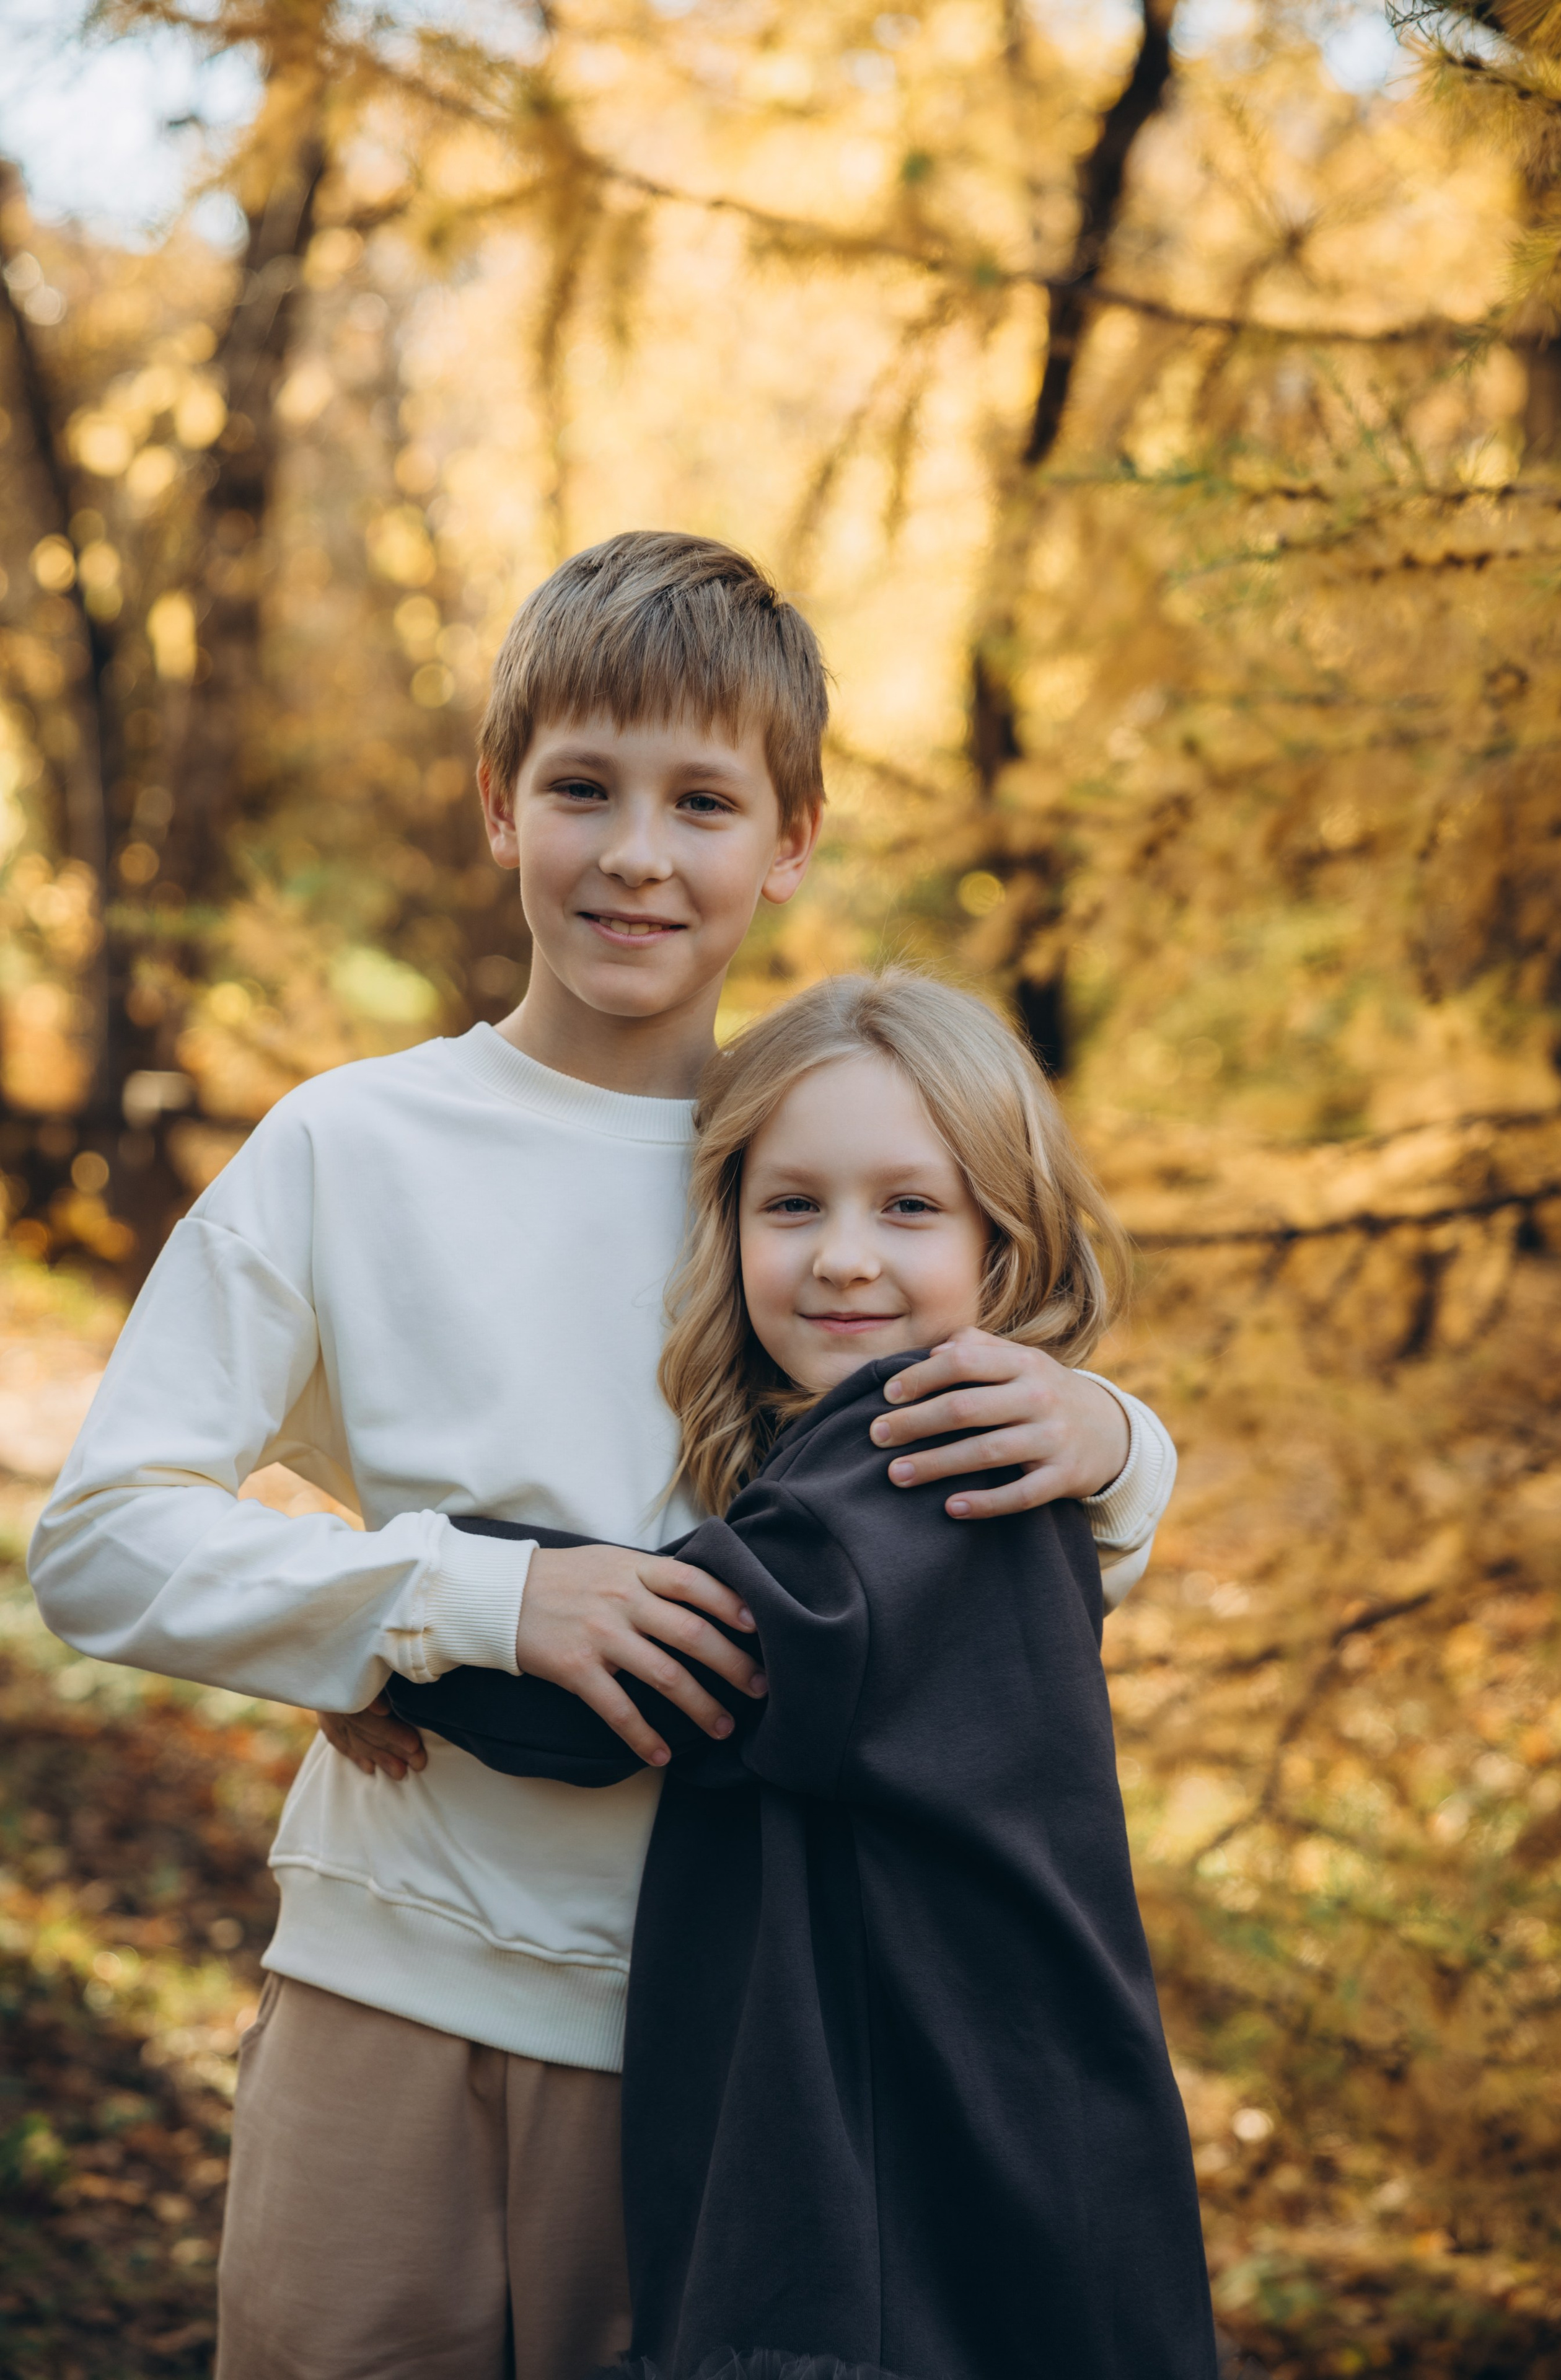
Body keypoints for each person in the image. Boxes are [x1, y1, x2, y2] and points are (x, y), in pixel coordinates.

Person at [27, 534, 1181, 2380]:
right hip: (382, 1989)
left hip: (729, 2043)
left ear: (789, 841)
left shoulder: (814, 1171)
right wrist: (445, 1599)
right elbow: (99, 1545)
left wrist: (1122, 1449)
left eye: (704, 801)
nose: (638, 854)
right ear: (502, 805)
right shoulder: (353, 1147)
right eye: (583, 788)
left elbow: (958, 1577)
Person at [391, 969, 1218, 2380]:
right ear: (726, 1225)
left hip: (907, 2149)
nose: (844, 1257)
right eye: (793, 1205)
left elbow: (658, 1670)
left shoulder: (918, 1460)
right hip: (974, 2103)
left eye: (909, 1207)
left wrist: (404, 1617)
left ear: (1004, 1243)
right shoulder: (916, 1459)